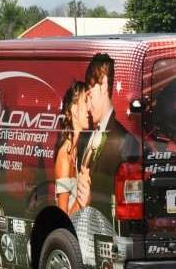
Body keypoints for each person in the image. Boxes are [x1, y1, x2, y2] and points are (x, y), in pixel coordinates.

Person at [75, 53, 136, 211]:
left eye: (89, 95)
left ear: (103, 84)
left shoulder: (124, 141)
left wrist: (91, 202)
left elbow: (126, 201)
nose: (87, 107)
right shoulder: (87, 138)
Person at [54, 81, 91, 215]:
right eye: (85, 102)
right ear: (74, 110)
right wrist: (81, 200)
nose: (89, 108)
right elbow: (62, 219)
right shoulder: (64, 157)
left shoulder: (76, 150)